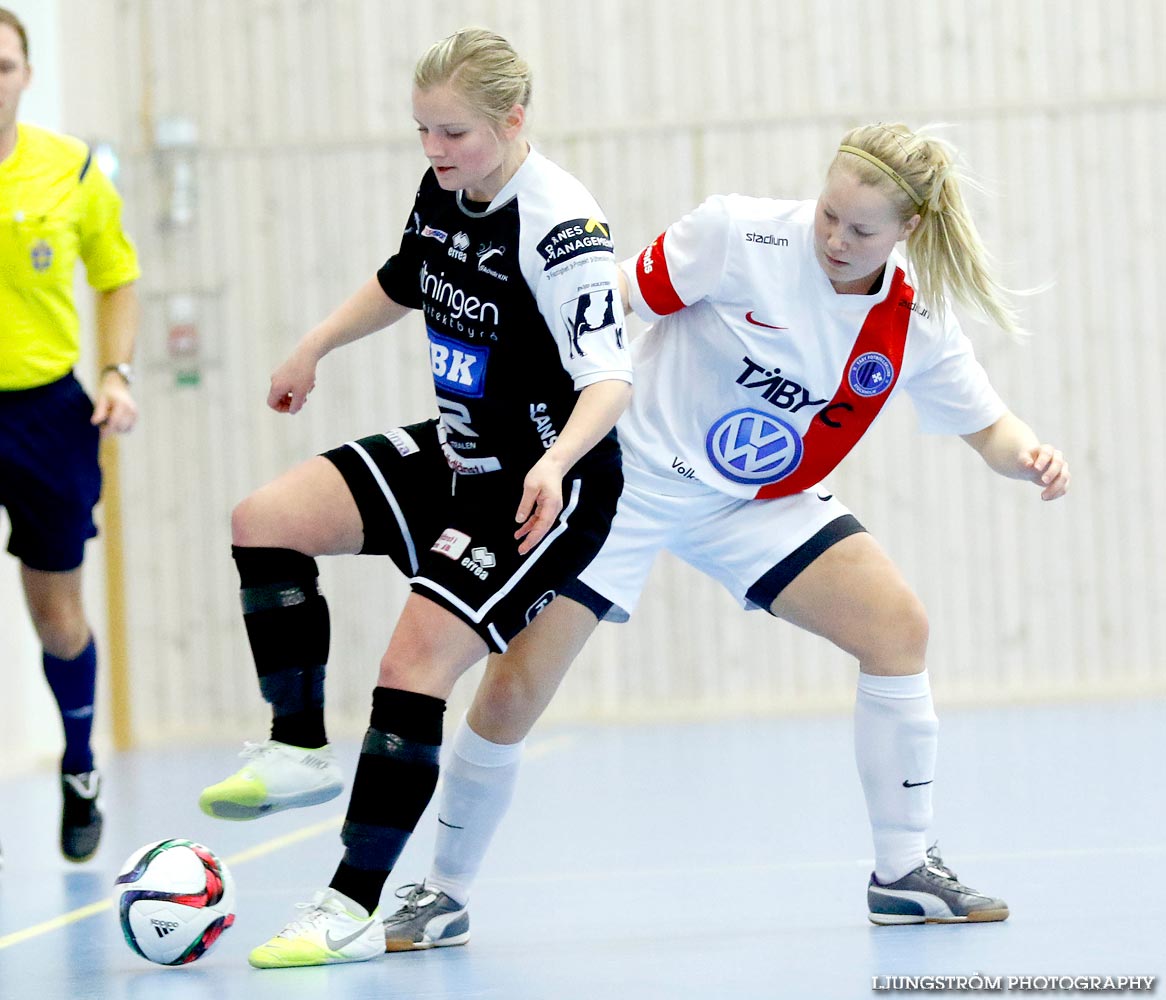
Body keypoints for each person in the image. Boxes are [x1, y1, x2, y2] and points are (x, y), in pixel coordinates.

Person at [371, 121, 1071, 948]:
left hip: (755, 503)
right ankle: (440, 892)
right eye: (829, 215)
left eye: (861, 229)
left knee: (898, 627)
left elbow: (987, 426)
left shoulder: (913, 318)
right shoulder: (737, 234)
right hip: (626, 477)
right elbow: (606, 305)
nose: (837, 239)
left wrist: (1028, 455)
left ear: (907, 231)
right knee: (515, 687)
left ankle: (905, 871)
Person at [195, 28, 632, 968]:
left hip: (544, 486)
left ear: (515, 121)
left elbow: (610, 383)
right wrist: (315, 343)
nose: (435, 153)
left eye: (456, 134)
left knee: (409, 667)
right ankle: (298, 745)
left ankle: (352, 905)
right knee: (264, 521)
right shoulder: (445, 188)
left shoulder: (561, 228)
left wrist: (555, 465)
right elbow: (406, 278)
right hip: (460, 451)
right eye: (424, 132)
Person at [0, 6, 141, 866]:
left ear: (23, 74)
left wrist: (117, 373)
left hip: (46, 413)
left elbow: (117, 277)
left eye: (1, 65)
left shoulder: (71, 170)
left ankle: (79, 763)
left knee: (57, 617)